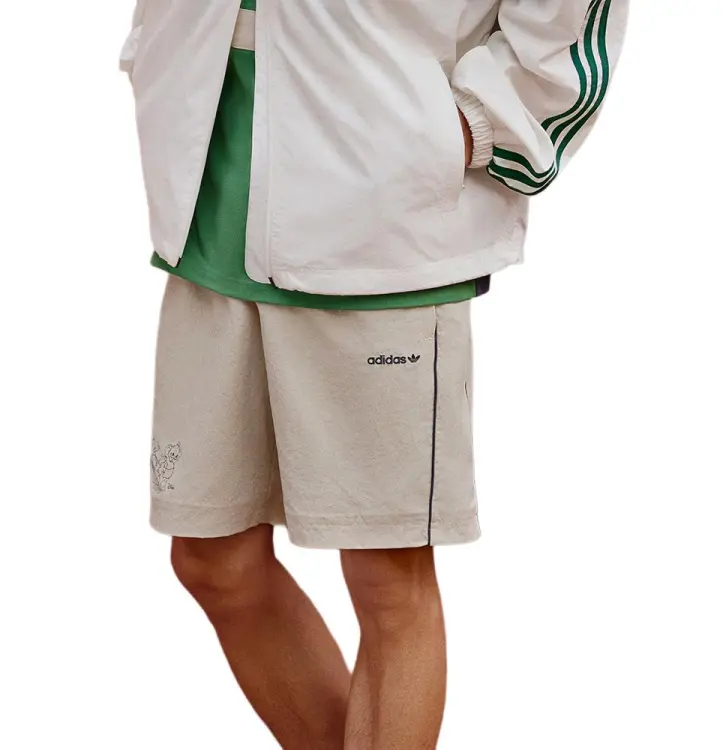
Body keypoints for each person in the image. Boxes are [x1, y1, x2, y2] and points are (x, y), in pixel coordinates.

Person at [121, 1, 628, 747]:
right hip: (207, 180)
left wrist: (469, 127)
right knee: (213, 557)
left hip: (377, 227)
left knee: (387, 581)